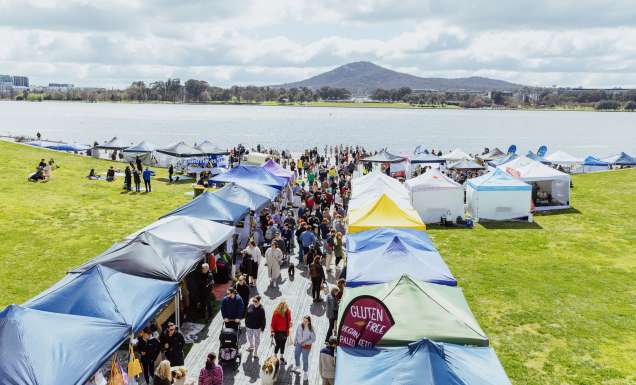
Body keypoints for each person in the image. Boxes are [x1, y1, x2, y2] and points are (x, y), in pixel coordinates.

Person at [292, 315, 316, 381]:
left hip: (306, 346)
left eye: (306, 321)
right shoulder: (300, 326)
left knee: (304, 359)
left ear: (309, 322)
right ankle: (297, 365)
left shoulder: (311, 329)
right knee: (296, 354)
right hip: (299, 344)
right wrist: (295, 341)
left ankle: (305, 372)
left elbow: (313, 339)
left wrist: (306, 342)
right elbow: (297, 333)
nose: (304, 322)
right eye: (304, 320)